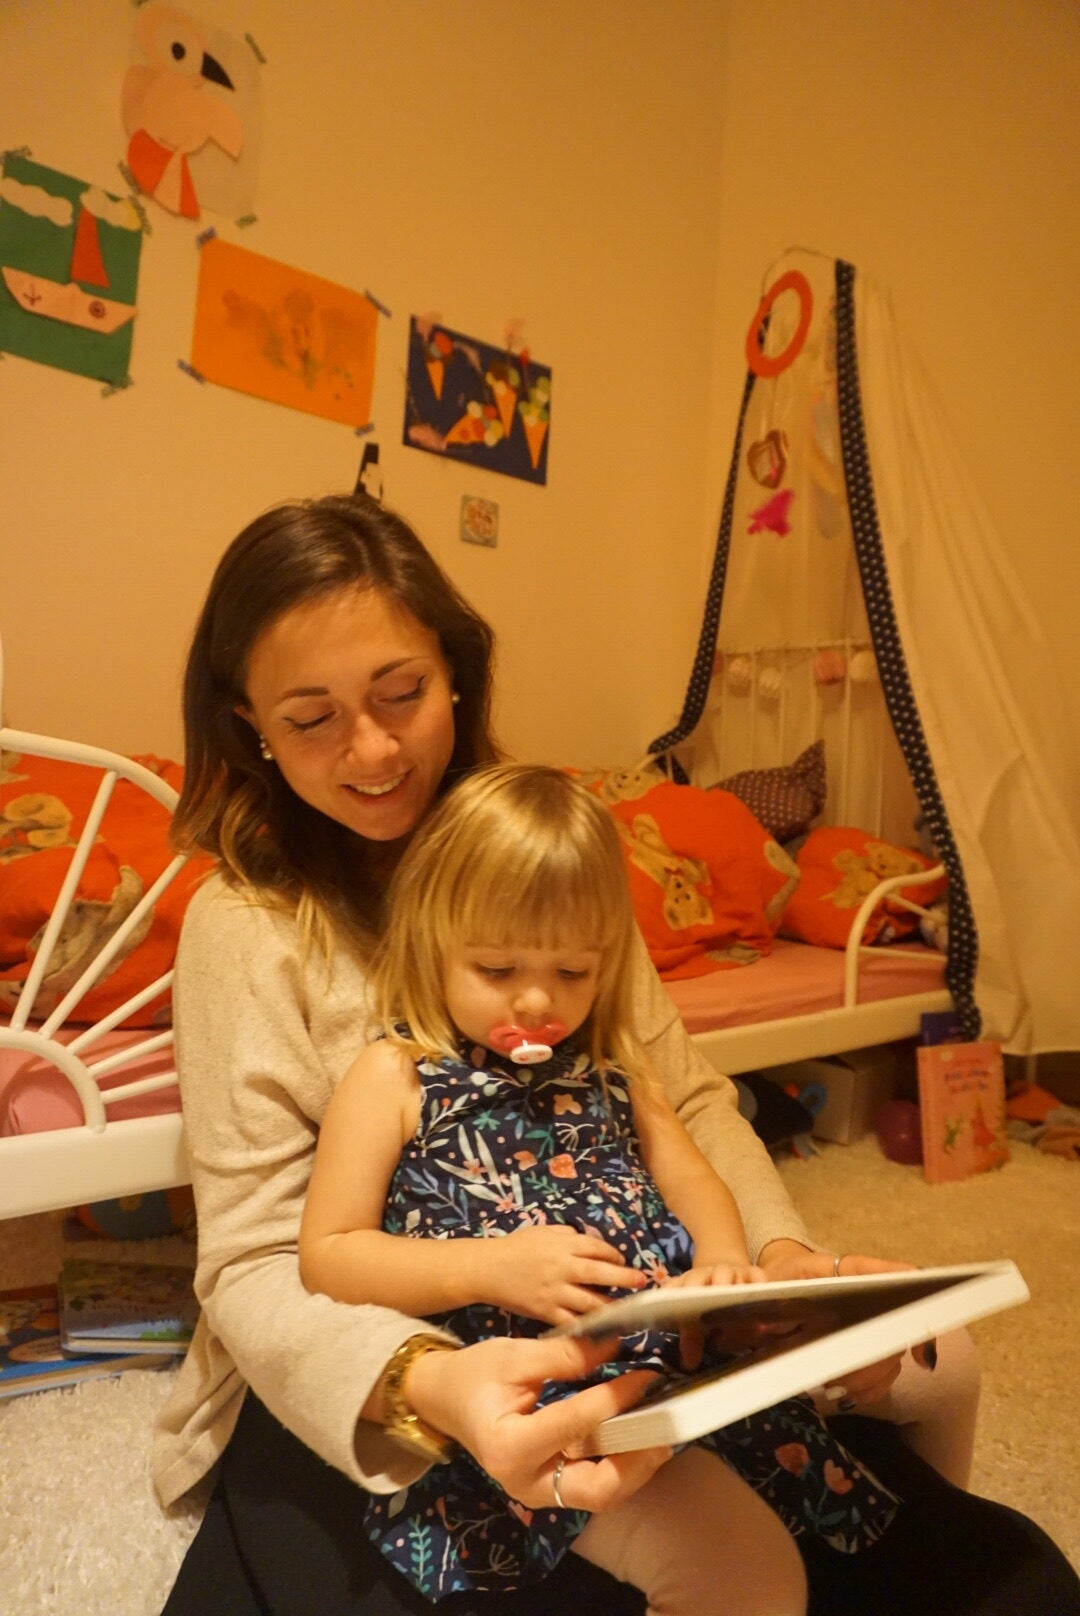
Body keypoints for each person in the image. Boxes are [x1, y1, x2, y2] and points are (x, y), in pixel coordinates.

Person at [155, 492, 1080, 1616]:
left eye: (402, 693)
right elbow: (261, 1263)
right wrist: (436, 1382)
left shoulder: (551, 859)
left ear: (455, 669)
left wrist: (773, 1262)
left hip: (627, 1340)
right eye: (310, 718)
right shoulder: (244, 927)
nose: (375, 747)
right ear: (247, 720)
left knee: (1006, 1572)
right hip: (387, 1363)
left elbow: (683, 1101)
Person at [298, 762, 906, 1609]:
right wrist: (488, 1268)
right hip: (540, 1404)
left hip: (679, 1364)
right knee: (748, 1574)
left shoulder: (616, 1069)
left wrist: (726, 1262)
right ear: (429, 942)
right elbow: (329, 1256)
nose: (539, 1000)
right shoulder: (395, 1076)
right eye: (497, 969)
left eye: (573, 973)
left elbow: (693, 1173)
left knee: (914, 1407)